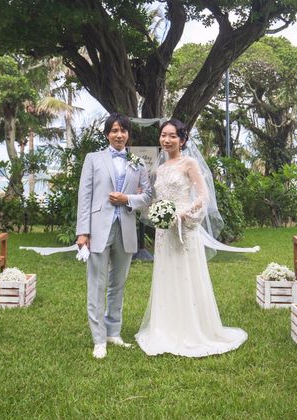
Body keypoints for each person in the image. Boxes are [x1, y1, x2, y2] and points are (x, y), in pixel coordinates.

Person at [136, 119, 252, 357]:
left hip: (184, 227)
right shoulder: (160, 168)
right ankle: (165, 328)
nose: (167, 140)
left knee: (186, 274)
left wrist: (184, 213)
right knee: (166, 273)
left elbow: (203, 196)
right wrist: (154, 209)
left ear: (182, 140)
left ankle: (192, 329)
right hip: (164, 231)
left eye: (172, 136)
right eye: (163, 135)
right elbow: (158, 198)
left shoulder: (189, 163)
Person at [76, 113, 152, 359]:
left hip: (125, 227)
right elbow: (85, 196)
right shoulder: (93, 159)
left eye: (123, 131)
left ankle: (113, 332)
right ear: (107, 134)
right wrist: (83, 232)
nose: (119, 135)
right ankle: (99, 339)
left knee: (118, 283)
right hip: (98, 227)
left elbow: (148, 196)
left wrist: (127, 199)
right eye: (114, 130)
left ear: (128, 134)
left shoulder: (137, 162)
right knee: (97, 284)